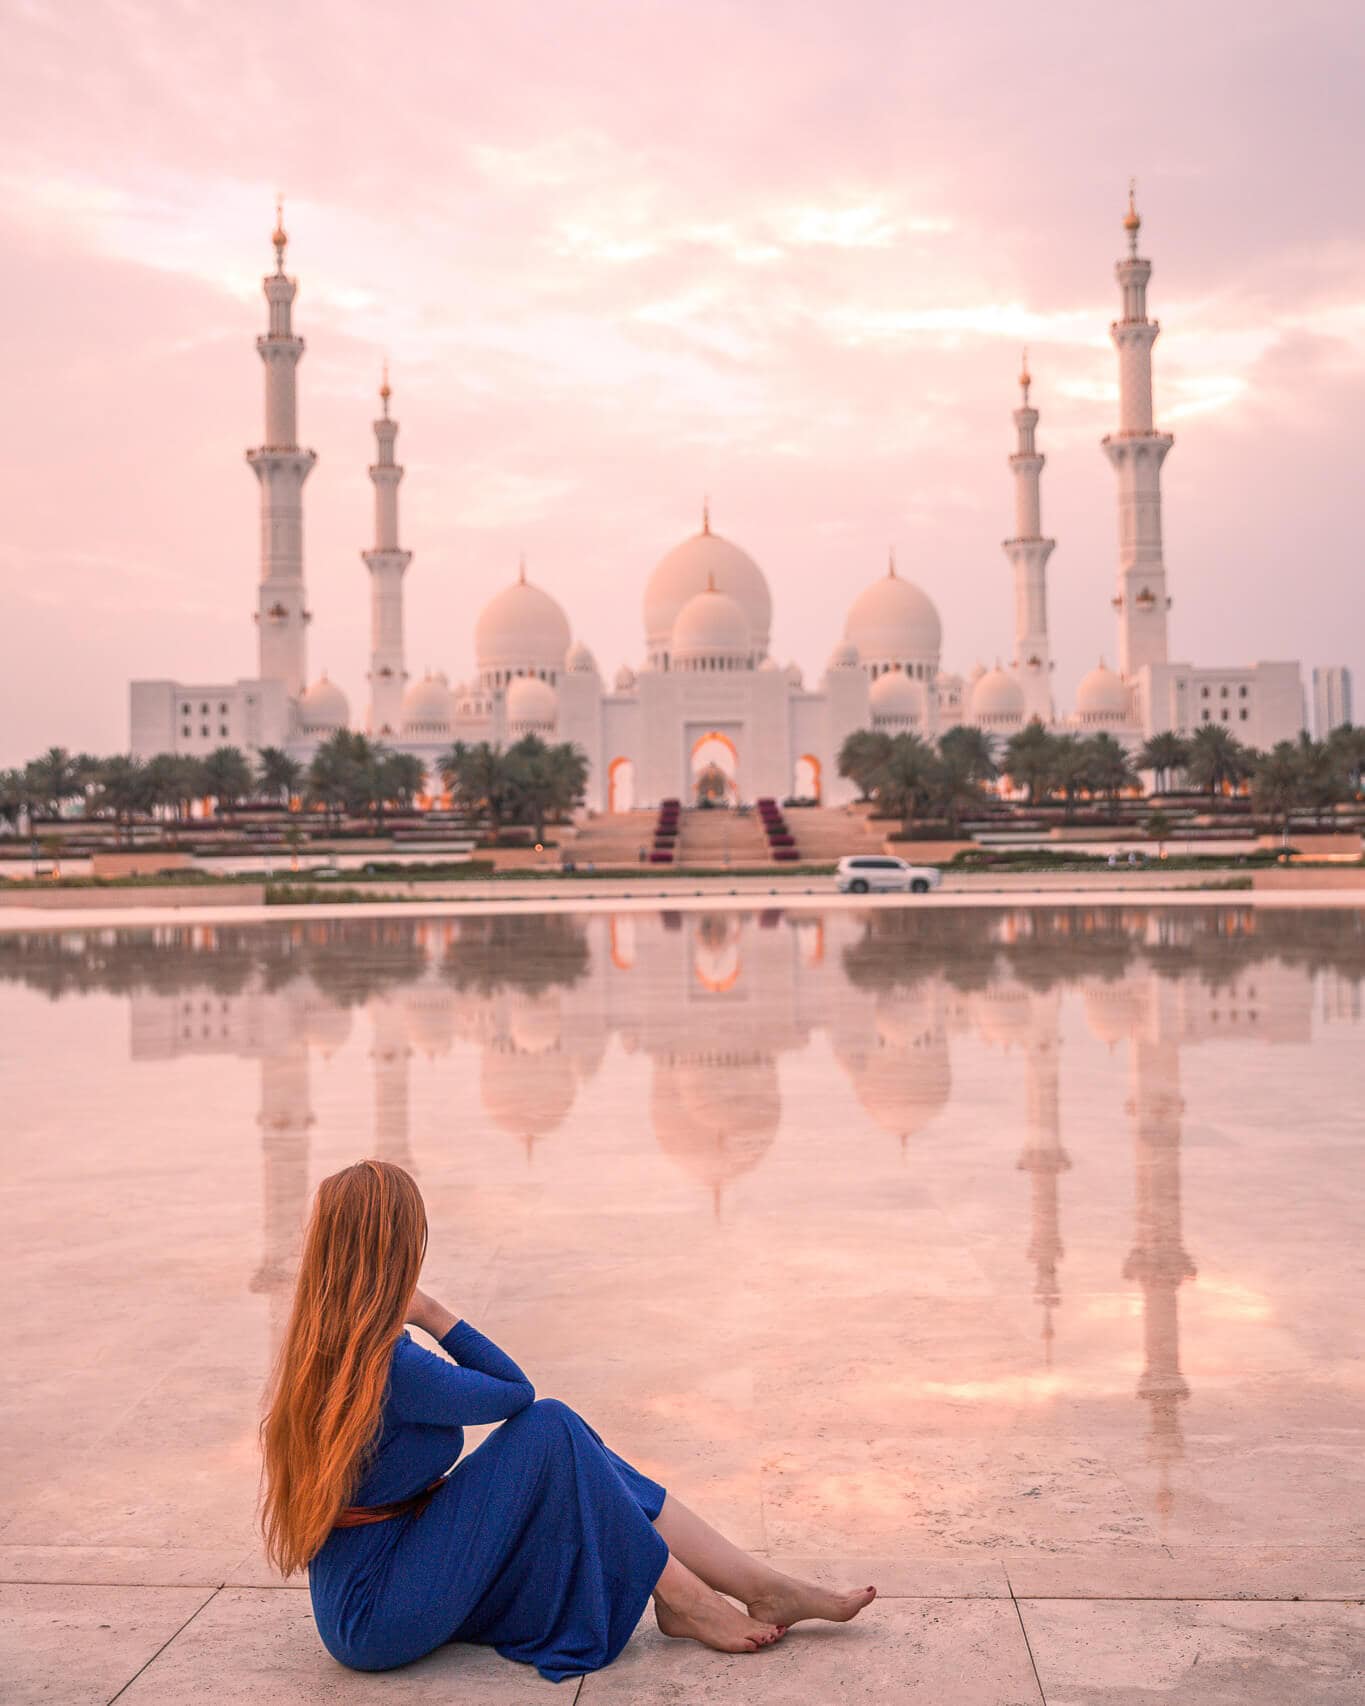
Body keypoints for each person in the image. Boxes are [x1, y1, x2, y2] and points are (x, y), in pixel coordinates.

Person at [258, 1160, 874, 1683]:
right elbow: (515, 1392)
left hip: (370, 1593)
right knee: (551, 1426)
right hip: (378, 1611)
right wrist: (430, 1309)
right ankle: (689, 1599)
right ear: (398, 1251)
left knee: (573, 1445)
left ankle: (752, 1585)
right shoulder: (389, 1363)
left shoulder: (330, 1342)